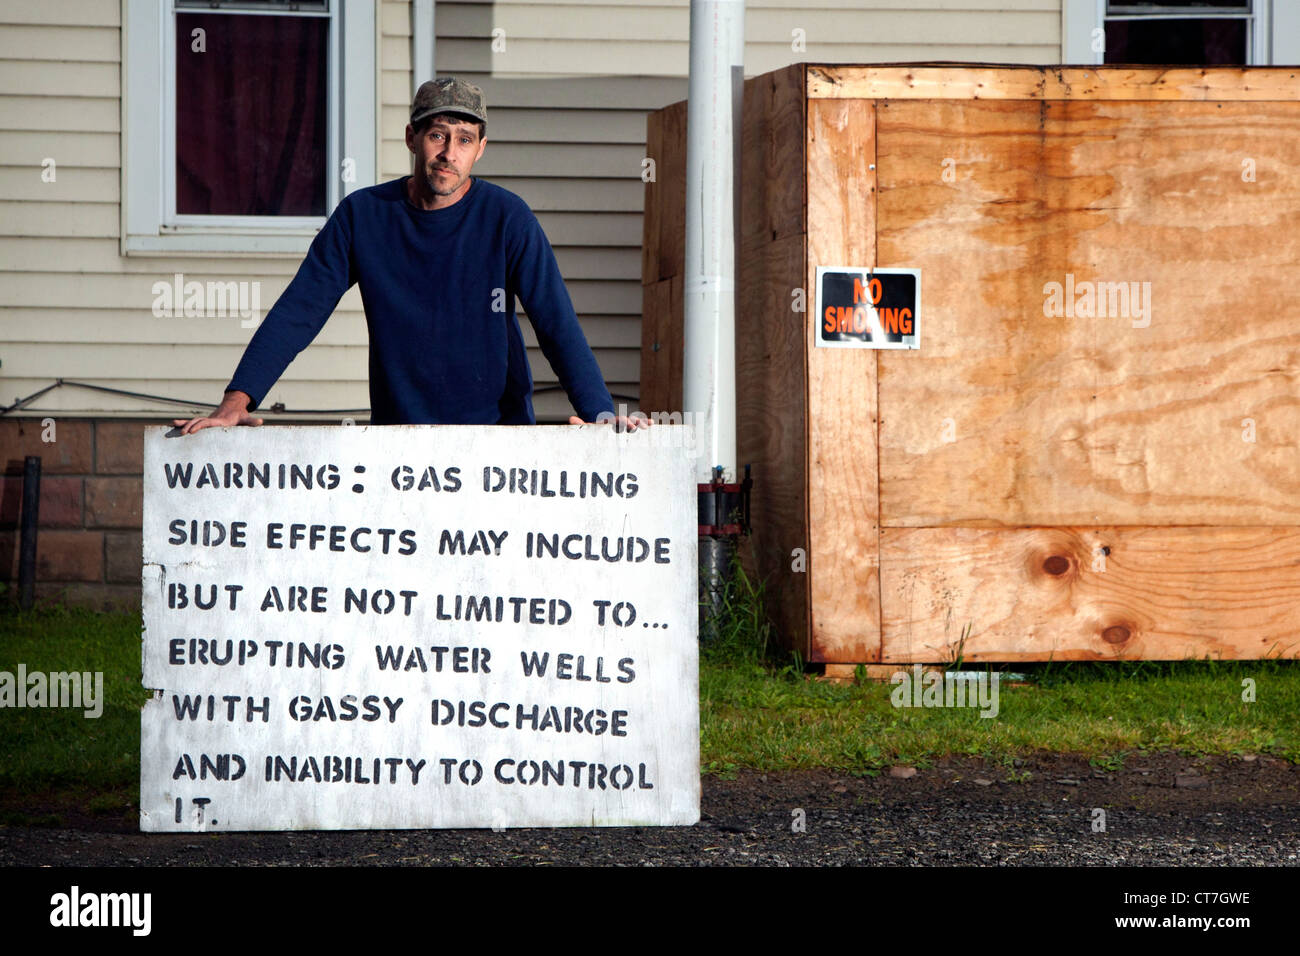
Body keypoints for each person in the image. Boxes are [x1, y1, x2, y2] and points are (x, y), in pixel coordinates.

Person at [174, 76, 647, 435]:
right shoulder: (365, 216)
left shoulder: (507, 218)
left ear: (480, 150)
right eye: (438, 135)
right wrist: (239, 399)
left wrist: (602, 415)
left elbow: (556, 322)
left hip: (498, 440)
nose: (449, 153)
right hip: (399, 441)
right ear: (412, 138)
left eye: (464, 139)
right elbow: (301, 307)